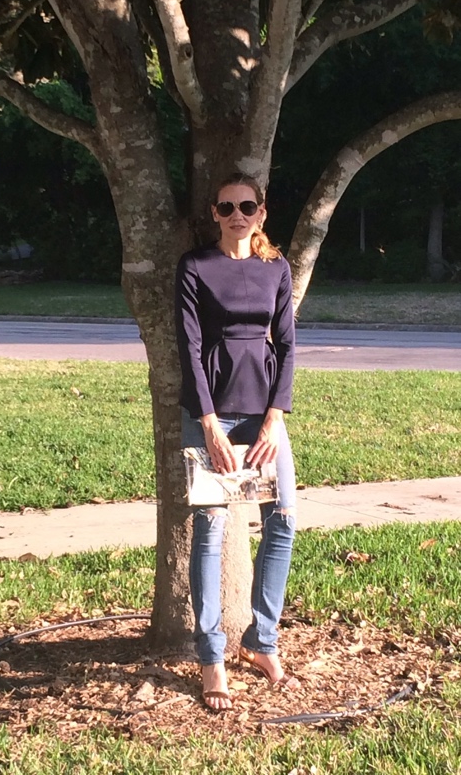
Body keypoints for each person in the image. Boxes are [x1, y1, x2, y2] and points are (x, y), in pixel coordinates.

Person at [175, 172, 299, 712]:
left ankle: (261, 640)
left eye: (246, 205)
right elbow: (188, 345)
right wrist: (207, 422)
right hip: (211, 417)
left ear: (262, 212)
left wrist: (275, 417)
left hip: (264, 414)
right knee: (211, 529)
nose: (237, 214)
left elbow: (289, 346)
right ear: (214, 213)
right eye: (227, 207)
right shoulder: (196, 267)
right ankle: (211, 657)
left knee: (285, 519)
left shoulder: (277, 269)